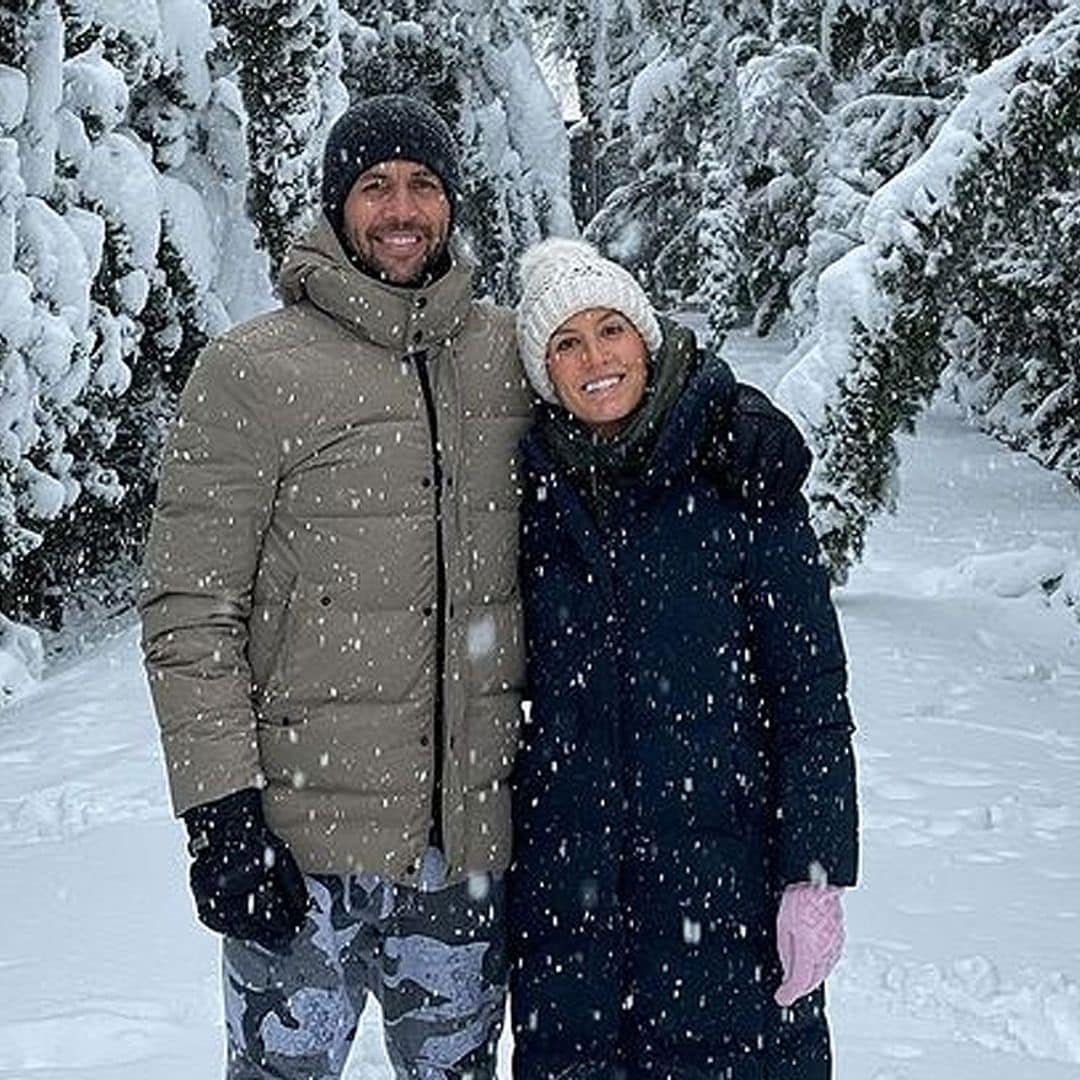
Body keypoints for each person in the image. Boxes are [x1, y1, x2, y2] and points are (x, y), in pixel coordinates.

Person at [139, 94, 534, 1079]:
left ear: (451, 205)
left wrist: (720, 420)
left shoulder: (506, 355)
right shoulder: (249, 371)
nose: (401, 210)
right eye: (375, 187)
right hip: (297, 856)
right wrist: (221, 816)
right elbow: (190, 613)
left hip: (465, 858)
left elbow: (621, 378)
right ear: (335, 206)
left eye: (423, 186)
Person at [507, 238, 860, 1079]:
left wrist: (814, 873)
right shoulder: (529, 497)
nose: (596, 358)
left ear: (649, 337)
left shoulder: (738, 474)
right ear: (542, 372)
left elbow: (810, 695)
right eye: (566, 343)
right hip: (573, 907)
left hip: (725, 890)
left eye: (611, 329)